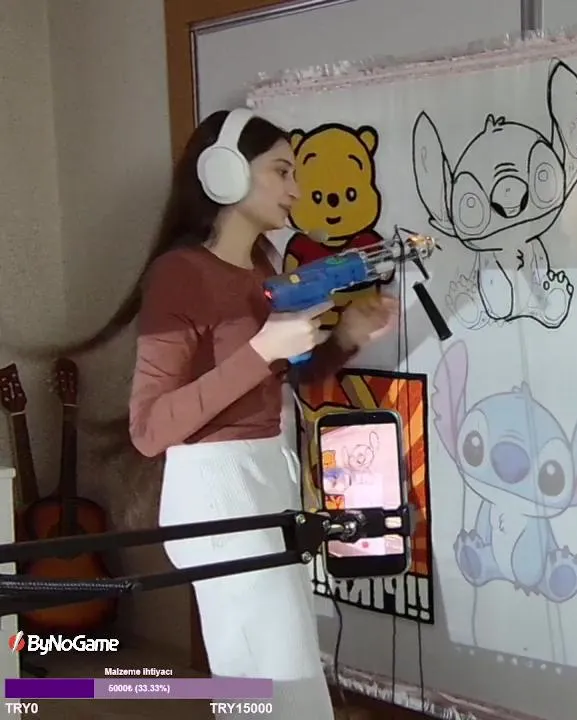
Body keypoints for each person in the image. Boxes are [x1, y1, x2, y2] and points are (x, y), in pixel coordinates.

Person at [70, 108, 396, 720]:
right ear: (223, 172)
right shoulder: (179, 274)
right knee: (274, 680)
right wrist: (262, 350)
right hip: (218, 494)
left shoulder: (264, 268)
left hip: (268, 479)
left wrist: (345, 339)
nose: (296, 188)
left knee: (282, 678)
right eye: (281, 171)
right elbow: (149, 428)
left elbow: (278, 380)